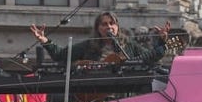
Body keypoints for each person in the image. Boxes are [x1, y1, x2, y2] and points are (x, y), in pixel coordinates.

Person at [30, 11, 171, 65]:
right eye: (104, 24)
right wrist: (45, 41)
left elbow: (148, 57)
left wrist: (161, 41)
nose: (109, 27)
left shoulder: (128, 44)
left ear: (117, 27)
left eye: (112, 23)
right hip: (94, 94)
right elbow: (61, 55)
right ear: (98, 28)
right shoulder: (89, 45)